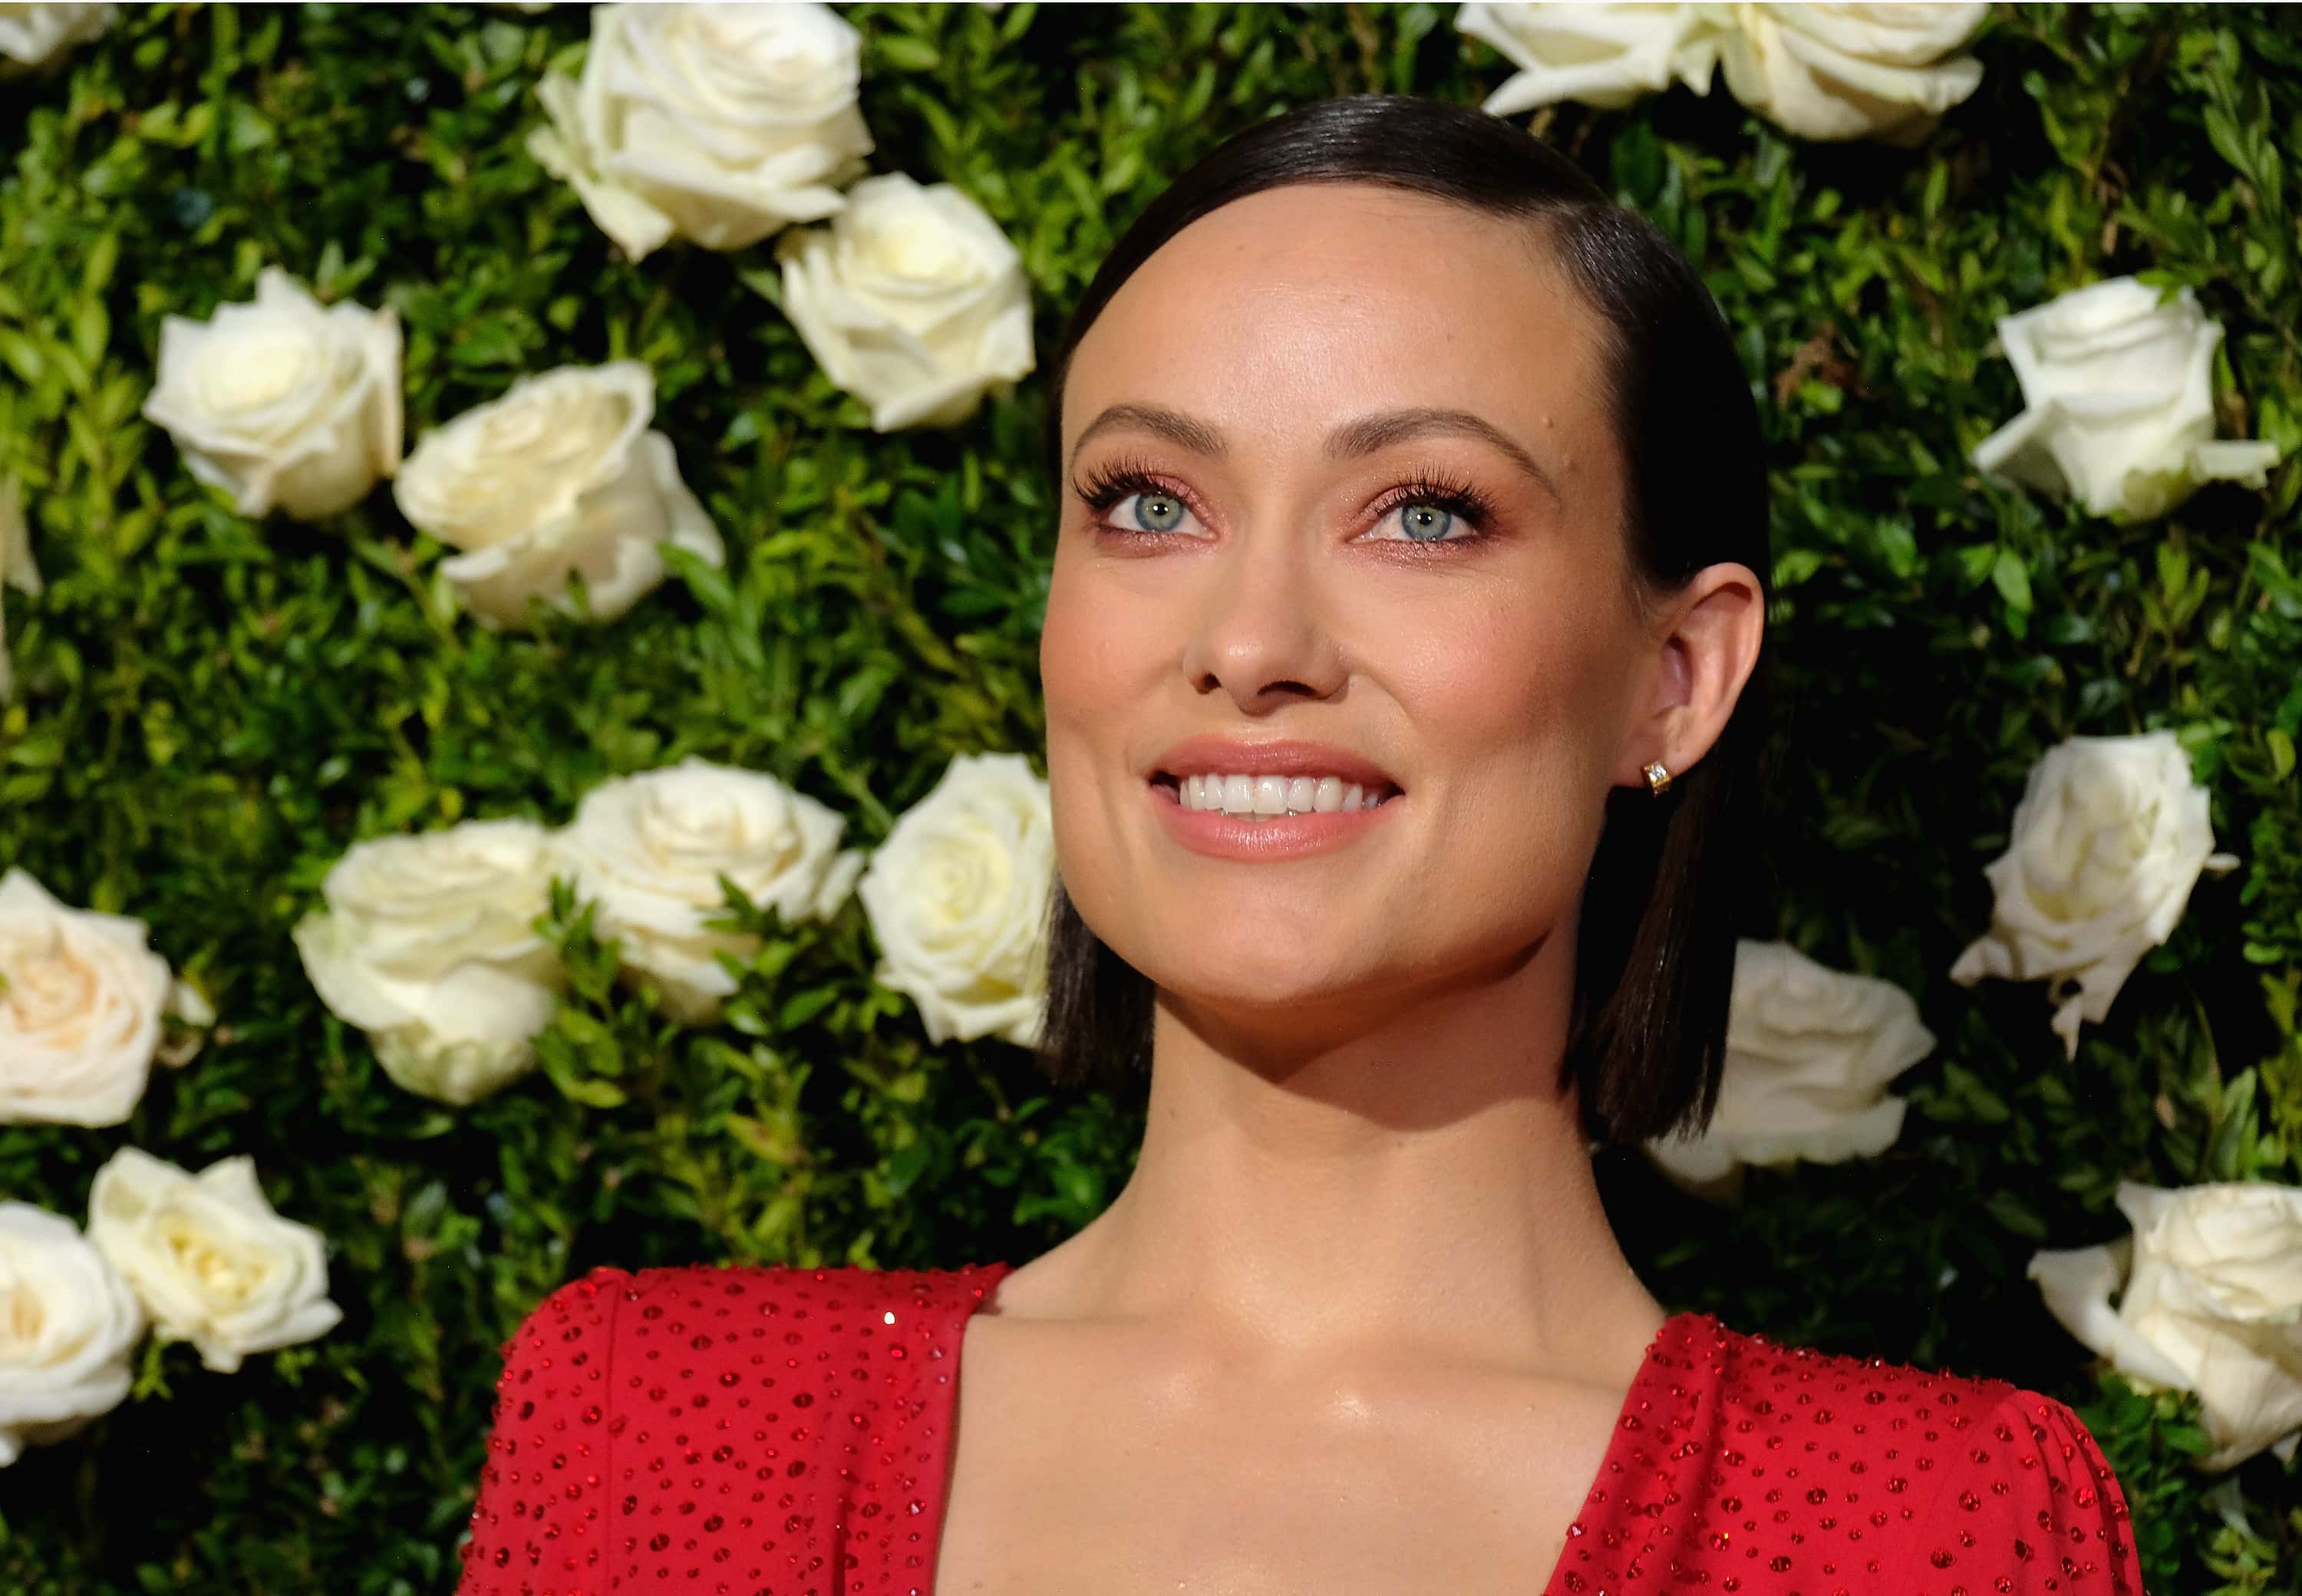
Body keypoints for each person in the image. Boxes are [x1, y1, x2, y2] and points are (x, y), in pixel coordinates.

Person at [452, 94, 2142, 1596]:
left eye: (1425, 514)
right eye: (1149, 505)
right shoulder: (649, 1428)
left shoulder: (1936, 1530)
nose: (1251, 640)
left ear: (1676, 676)